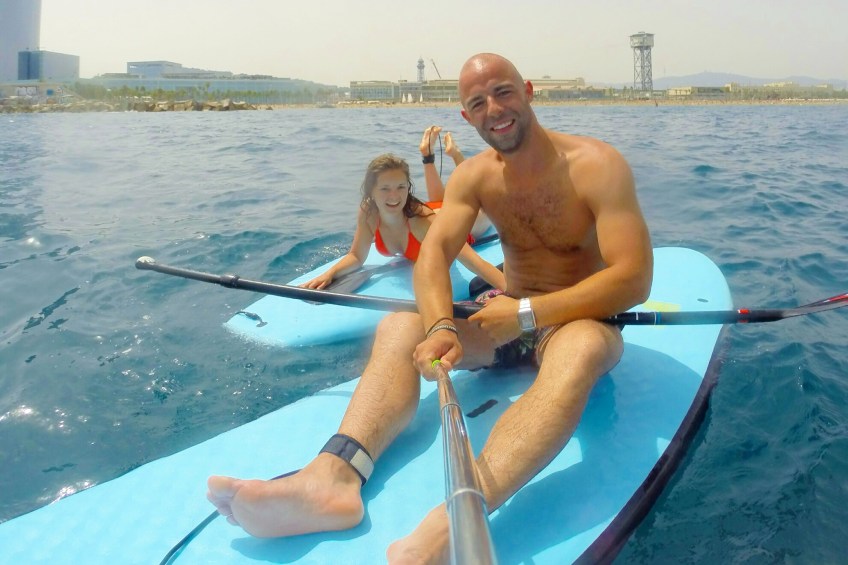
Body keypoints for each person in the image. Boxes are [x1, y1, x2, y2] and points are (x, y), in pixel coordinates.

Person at [207, 52, 653, 563]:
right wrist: (442, 325)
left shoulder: (596, 165)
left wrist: (527, 314)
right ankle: (332, 478)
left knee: (581, 348)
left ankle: (454, 520)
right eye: (477, 103)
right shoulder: (476, 177)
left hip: (577, 319)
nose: (494, 109)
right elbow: (435, 255)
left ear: (528, 91)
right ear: (466, 116)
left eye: (503, 92)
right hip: (505, 315)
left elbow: (634, 277)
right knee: (402, 325)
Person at [298, 153, 505, 292]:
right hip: (432, 211)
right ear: (371, 191)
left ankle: (463, 163)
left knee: (481, 206)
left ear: (408, 187)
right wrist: (330, 274)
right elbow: (356, 256)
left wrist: (515, 295)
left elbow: (473, 261)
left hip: (460, 225)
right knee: (443, 201)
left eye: (400, 187)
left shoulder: (422, 222)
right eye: (385, 189)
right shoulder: (368, 214)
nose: (394, 196)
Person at [419, 125, 493, 239]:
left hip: (433, 219)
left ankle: (433, 156)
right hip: (441, 221)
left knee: (441, 209)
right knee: (485, 209)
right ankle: (433, 156)